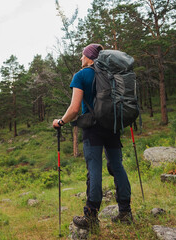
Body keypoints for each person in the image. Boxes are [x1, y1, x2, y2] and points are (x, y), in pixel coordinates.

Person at [52, 44, 133, 230]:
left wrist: (60, 122)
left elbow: (74, 109)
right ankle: (125, 212)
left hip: (93, 129)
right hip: (112, 126)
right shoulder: (111, 74)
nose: (81, 58)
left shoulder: (81, 76)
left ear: (90, 57)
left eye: (83, 55)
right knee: (117, 166)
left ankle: (91, 216)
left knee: (94, 169)